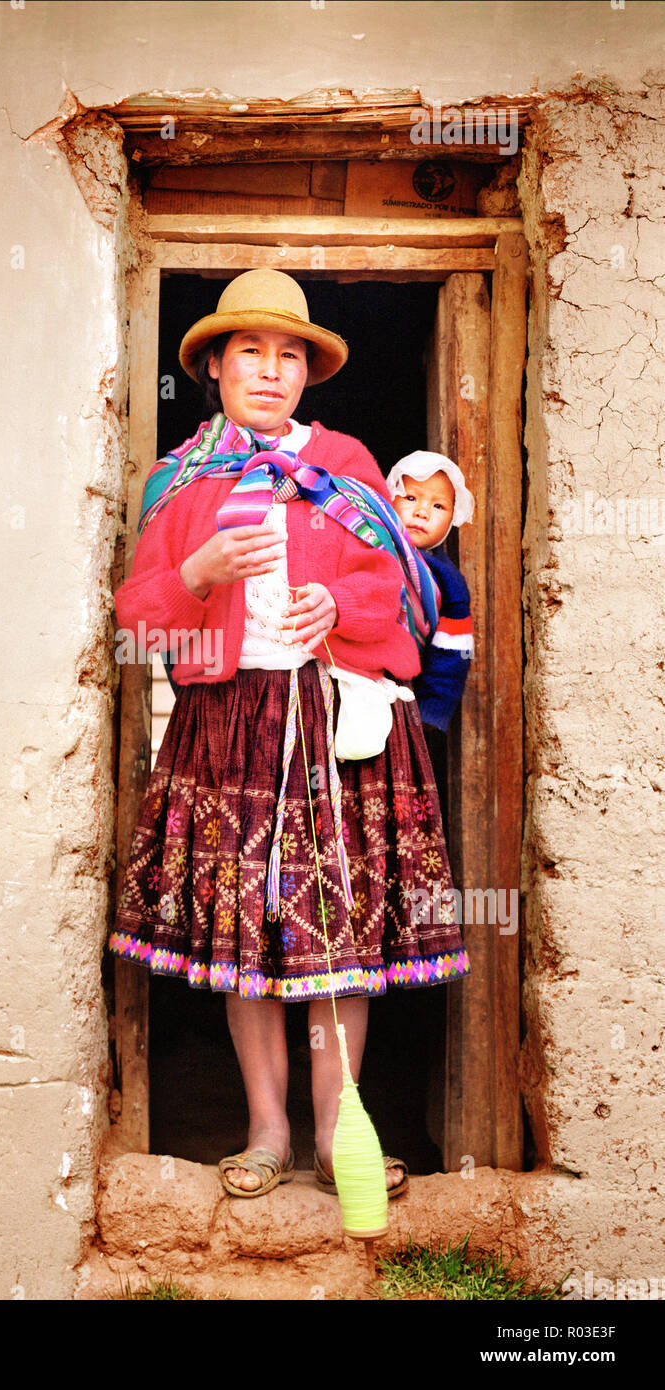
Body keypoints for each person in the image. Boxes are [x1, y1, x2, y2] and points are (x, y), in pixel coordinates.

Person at [109, 270, 470, 1199]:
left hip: (333, 721)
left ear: (306, 373)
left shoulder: (346, 464)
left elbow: (399, 599)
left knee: (336, 931)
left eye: (288, 357)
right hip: (229, 723)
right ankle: (266, 1131)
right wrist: (196, 569)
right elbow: (139, 625)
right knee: (246, 935)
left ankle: (339, 1129)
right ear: (215, 369)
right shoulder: (179, 480)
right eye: (250, 354)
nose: (270, 372)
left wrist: (333, 605)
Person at [387, 453, 475, 820]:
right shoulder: (369, 553)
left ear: (452, 519)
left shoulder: (447, 580)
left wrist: (432, 714)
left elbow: (452, 656)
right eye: (411, 498)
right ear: (387, 499)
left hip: (408, 698)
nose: (422, 511)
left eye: (438, 505)